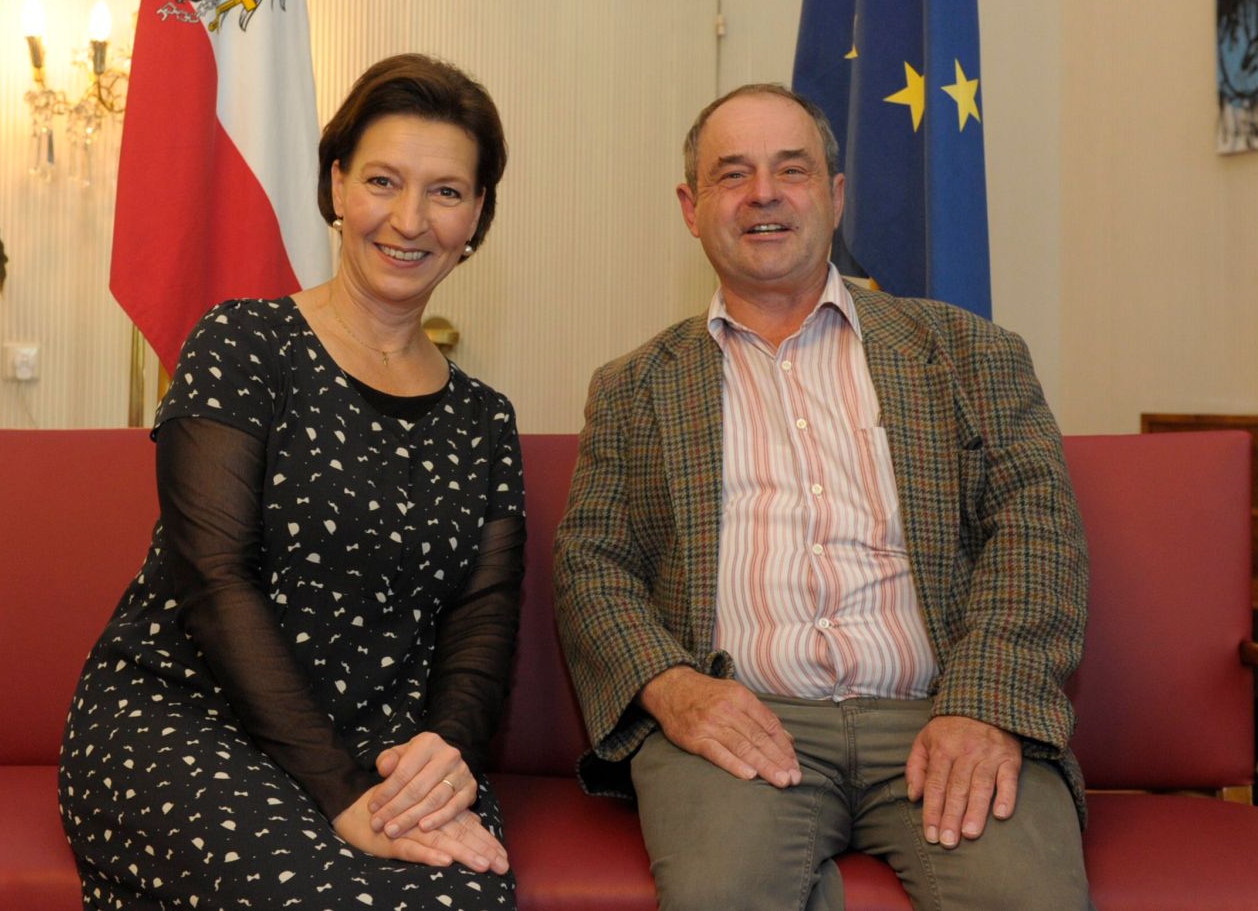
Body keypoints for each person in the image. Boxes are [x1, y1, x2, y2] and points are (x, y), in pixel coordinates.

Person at [553, 83, 1090, 911]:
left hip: (939, 711)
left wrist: (984, 706)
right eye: (732, 175)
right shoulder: (633, 388)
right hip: (738, 729)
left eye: (791, 169)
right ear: (692, 209)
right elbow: (591, 565)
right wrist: (673, 686)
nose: (763, 193)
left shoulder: (971, 355)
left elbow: (1036, 535)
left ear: (835, 196)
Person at [60, 54, 524, 910]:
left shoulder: (485, 421)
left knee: (468, 897)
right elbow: (212, 577)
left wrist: (445, 752)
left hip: (384, 742)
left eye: (447, 192)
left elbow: (483, 618)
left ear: (477, 215)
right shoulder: (244, 345)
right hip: (186, 720)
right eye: (384, 180)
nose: (410, 219)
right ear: (338, 184)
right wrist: (341, 793)